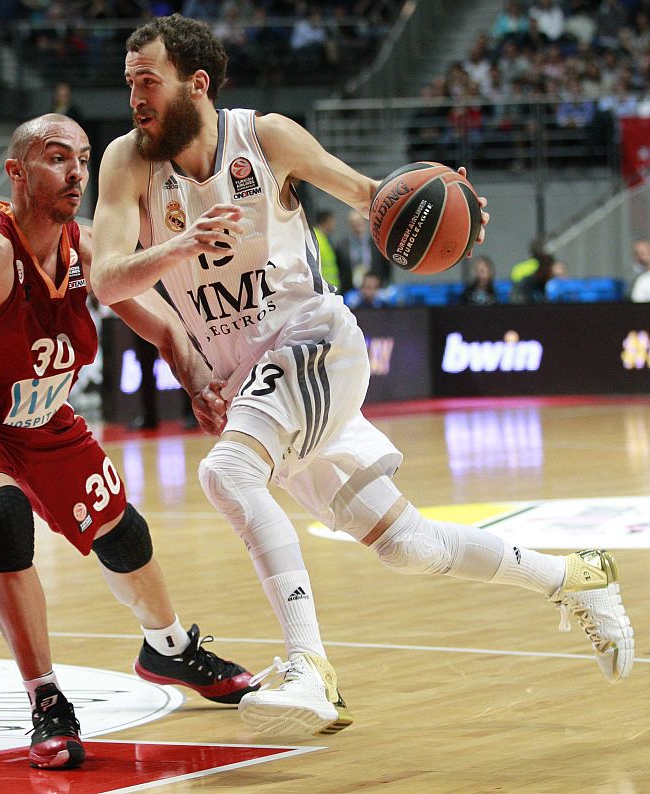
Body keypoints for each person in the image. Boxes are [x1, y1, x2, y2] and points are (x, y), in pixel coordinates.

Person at [90, 14, 634, 738]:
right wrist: (181, 258)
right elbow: (107, 277)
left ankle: (310, 670)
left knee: (227, 476)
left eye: (148, 81)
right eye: (130, 84)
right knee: (404, 543)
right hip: (255, 381)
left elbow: (370, 194)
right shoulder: (127, 164)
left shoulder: (266, 137)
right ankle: (576, 577)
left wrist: (451, 206)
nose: (135, 97)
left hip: (312, 345)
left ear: (197, 83)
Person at [0, 114, 257, 770]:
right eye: (56, 158)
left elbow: (158, 322)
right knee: (2, 515)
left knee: (124, 534)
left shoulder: (85, 246)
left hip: (45, 422)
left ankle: (167, 647)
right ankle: (45, 698)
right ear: (16, 173)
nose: (76, 171)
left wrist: (194, 378)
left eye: (82, 157)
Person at [335, 209, 390, 291]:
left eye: (359, 222)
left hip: (375, 290)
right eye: (354, 223)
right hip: (350, 290)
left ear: (365, 223)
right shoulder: (342, 246)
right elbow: (339, 268)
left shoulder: (377, 244)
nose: (357, 225)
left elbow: (386, 266)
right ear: (349, 225)